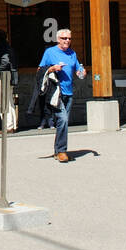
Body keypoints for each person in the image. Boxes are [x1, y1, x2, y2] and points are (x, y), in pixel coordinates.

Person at [36, 28, 85, 162]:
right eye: (64, 38)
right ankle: (62, 151)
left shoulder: (72, 53)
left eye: (69, 38)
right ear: (58, 39)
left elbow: (77, 69)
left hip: (69, 93)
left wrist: (81, 71)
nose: (67, 41)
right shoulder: (50, 52)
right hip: (56, 92)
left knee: (62, 123)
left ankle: (58, 151)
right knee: (63, 120)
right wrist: (53, 68)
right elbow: (40, 71)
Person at [0, 30, 19, 133]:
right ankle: (13, 125)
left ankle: (8, 126)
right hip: (11, 75)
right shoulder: (9, 46)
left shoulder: (1, 47)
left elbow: (5, 61)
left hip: (3, 76)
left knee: (2, 101)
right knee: (9, 101)